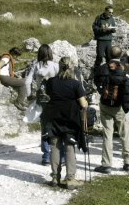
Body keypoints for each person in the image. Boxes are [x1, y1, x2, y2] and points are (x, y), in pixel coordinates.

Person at [44, 57, 88, 190]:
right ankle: (70, 178)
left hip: (53, 117)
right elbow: (83, 104)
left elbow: (48, 96)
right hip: (70, 118)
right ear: (72, 66)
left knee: (55, 146)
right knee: (70, 146)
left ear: (59, 66)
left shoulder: (51, 82)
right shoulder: (75, 84)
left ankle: (55, 177)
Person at [93, 46, 129, 174]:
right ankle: (128, 163)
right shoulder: (124, 69)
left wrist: (102, 92)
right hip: (121, 107)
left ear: (108, 55)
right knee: (125, 135)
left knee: (107, 135)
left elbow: (97, 81)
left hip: (105, 105)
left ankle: (106, 164)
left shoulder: (103, 68)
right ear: (120, 55)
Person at [25, 44, 59, 165]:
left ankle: (46, 156)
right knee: (57, 125)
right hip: (55, 98)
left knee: (44, 126)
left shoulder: (36, 66)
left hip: (42, 98)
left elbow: (27, 81)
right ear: (50, 53)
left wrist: (30, 95)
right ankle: (60, 154)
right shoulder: (55, 66)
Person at [0, 47, 28, 111]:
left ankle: (21, 100)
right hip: (4, 77)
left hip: (6, 77)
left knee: (24, 81)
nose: (16, 57)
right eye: (16, 55)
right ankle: (18, 102)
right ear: (13, 54)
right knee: (23, 83)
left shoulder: (8, 57)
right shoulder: (6, 57)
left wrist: (17, 76)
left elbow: (9, 70)